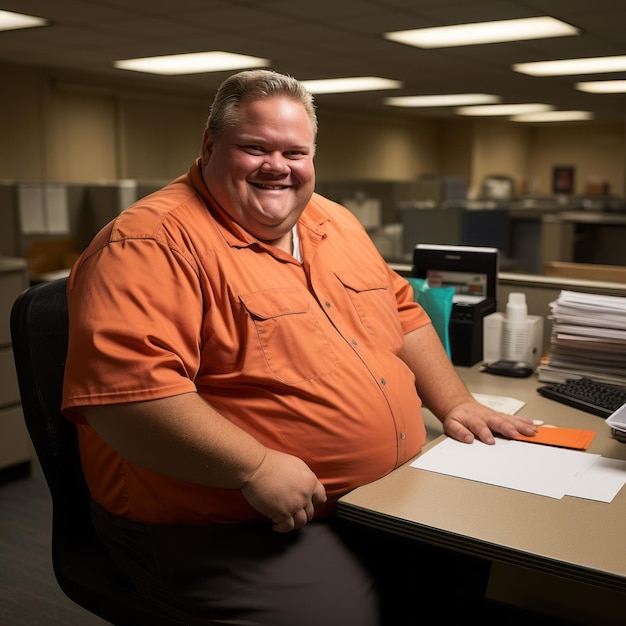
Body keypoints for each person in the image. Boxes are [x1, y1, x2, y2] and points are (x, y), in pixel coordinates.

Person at [61, 69, 537, 625]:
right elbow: (129, 400)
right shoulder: (149, 243)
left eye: (295, 152)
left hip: (378, 500)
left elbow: (403, 314)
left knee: (465, 571)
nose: (277, 167)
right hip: (229, 523)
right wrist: (254, 467)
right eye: (254, 148)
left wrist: (455, 402)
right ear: (210, 145)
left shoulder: (334, 222)